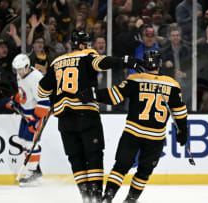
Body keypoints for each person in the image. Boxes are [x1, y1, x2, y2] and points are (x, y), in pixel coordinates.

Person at [37, 31, 136, 203]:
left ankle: (86, 197)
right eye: (88, 44)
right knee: (94, 155)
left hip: (64, 119)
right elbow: (101, 63)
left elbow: (41, 90)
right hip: (85, 115)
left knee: (76, 158)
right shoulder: (87, 55)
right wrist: (123, 60)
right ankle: (96, 198)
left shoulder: (57, 62)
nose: (90, 47)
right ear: (82, 45)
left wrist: (55, 95)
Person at [78, 50, 188, 203]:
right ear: (160, 63)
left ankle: (107, 198)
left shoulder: (135, 79)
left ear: (145, 63)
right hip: (155, 138)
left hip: (133, 133)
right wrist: (183, 131)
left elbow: (114, 96)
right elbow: (180, 112)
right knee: (144, 172)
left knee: (120, 167)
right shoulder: (172, 84)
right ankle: (130, 200)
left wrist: (94, 94)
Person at [5, 53, 50, 186]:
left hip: (37, 114)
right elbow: (23, 94)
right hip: (26, 113)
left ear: (26, 66)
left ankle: (32, 172)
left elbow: (44, 102)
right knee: (24, 141)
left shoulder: (36, 78)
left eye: (20, 69)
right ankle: (36, 172)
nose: (18, 72)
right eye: (16, 69)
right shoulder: (21, 74)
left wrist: (35, 120)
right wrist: (14, 100)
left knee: (31, 143)